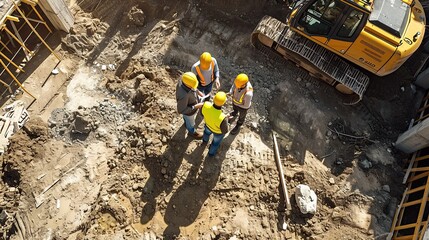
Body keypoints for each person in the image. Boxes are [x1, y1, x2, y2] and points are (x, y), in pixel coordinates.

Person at [176, 72, 204, 139]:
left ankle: (186, 122)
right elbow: (181, 110)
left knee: (186, 120)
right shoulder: (184, 95)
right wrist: (196, 106)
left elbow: (192, 88)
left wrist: (197, 91)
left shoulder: (183, 79)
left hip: (190, 103)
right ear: (188, 85)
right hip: (189, 113)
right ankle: (192, 132)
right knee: (190, 123)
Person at [201, 91, 229, 157]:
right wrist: (227, 119)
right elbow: (225, 131)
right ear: (223, 103)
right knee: (215, 143)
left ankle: (205, 141)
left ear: (213, 99)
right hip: (217, 133)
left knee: (206, 133)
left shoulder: (206, 105)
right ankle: (211, 154)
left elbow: (202, 114)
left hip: (208, 126)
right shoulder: (223, 117)